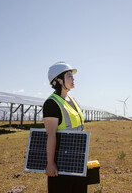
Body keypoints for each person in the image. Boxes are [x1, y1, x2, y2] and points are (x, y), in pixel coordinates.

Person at [43, 61, 87, 193]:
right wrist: (50, 164)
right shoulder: (52, 104)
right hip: (62, 164)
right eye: (69, 76)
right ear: (59, 80)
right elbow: (51, 135)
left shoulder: (72, 100)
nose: (73, 78)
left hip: (78, 160)